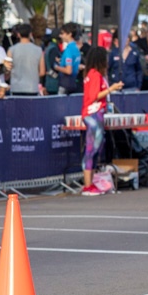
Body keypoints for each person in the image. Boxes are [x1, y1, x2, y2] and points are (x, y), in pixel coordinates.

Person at [80, 46, 124, 196]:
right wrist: (111, 88)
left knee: (95, 149)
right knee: (91, 149)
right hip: (93, 114)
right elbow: (94, 96)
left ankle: (90, 183)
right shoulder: (95, 75)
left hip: (95, 113)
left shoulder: (93, 74)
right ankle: (87, 185)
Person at [7, 23, 43, 96]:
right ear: (30, 34)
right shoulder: (38, 50)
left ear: (18, 34)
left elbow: (7, 69)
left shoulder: (11, 50)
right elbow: (42, 72)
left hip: (16, 88)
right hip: (32, 88)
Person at [54, 22, 80, 95]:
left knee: (60, 102)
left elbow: (68, 71)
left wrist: (56, 67)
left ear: (69, 34)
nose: (60, 36)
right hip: (73, 83)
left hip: (65, 84)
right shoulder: (76, 48)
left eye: (63, 33)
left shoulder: (69, 49)